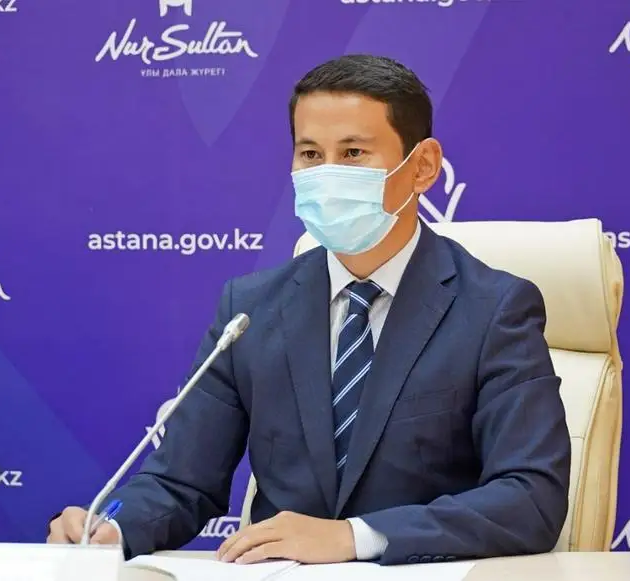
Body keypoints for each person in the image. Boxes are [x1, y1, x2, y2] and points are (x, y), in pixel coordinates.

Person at [48, 54, 571, 566]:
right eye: (311, 154)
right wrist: (113, 528)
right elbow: (180, 481)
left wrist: (355, 537)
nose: (328, 174)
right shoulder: (250, 309)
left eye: (353, 153)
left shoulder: (493, 309)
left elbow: (530, 497)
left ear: (423, 167)